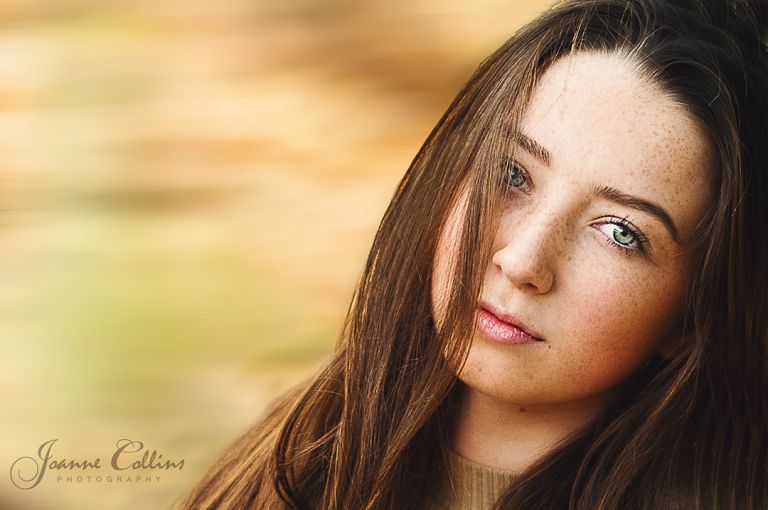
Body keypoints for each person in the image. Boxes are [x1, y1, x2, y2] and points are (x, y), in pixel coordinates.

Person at [177, 0, 768, 508]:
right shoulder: (298, 449)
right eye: (512, 173)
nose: (523, 261)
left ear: (694, 315)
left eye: (619, 232)